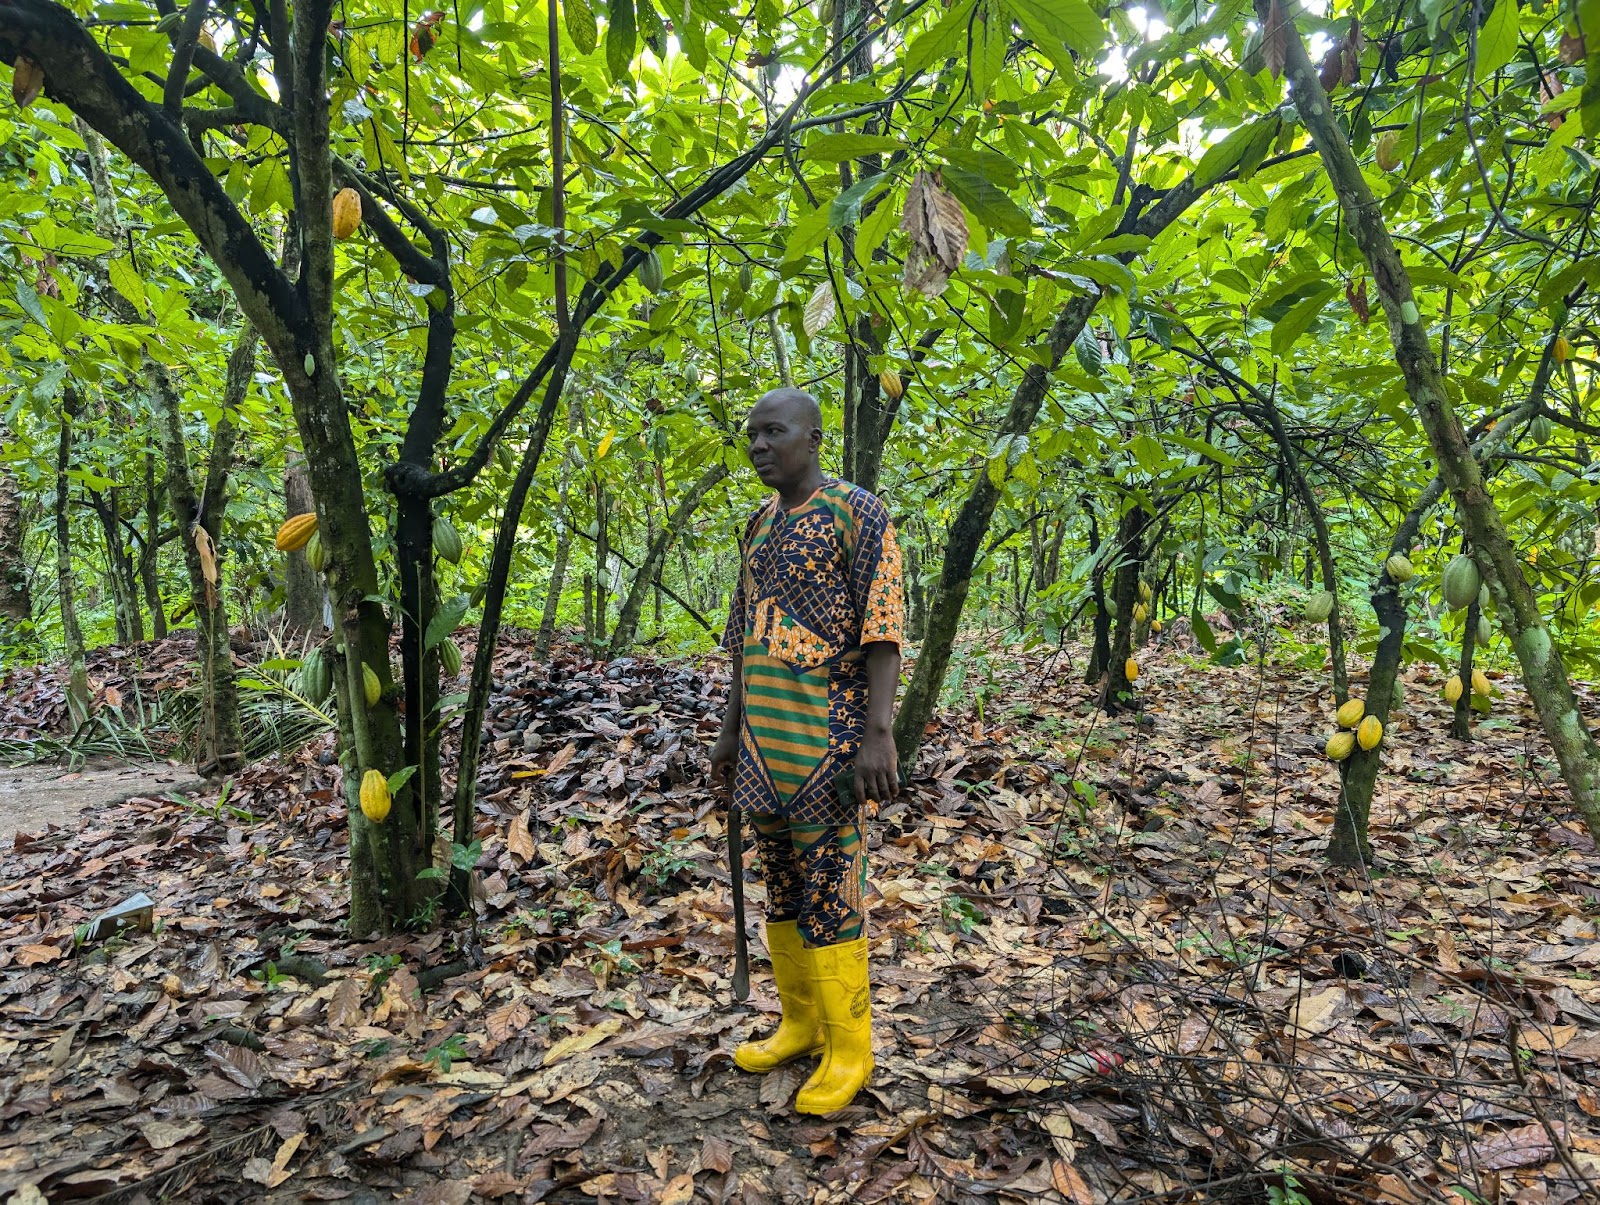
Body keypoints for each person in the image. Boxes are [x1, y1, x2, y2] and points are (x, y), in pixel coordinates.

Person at [709, 386, 904, 1115]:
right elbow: (745, 639)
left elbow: (883, 624)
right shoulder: (758, 525)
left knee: (832, 886)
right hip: (764, 742)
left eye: (773, 432)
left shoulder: (857, 512)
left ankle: (851, 1046)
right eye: (750, 435)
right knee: (783, 883)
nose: (759, 445)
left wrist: (879, 732)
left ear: (815, 438)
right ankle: (800, 1021)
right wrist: (730, 732)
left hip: (830, 734)